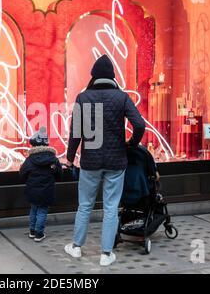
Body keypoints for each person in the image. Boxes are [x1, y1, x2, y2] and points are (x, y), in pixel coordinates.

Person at [64, 54, 145, 266]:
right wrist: (131, 144)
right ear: (112, 77)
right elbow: (140, 125)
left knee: (85, 206)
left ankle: (76, 247)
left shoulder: (83, 98)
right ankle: (106, 254)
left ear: (93, 77)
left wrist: (70, 158)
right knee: (110, 207)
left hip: (90, 162)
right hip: (116, 162)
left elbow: (75, 132)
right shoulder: (122, 97)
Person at [20, 126, 62, 242]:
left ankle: (32, 231)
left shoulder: (30, 159)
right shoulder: (53, 159)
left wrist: (28, 180)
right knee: (42, 211)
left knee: (33, 209)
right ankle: (39, 234)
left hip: (32, 190)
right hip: (47, 190)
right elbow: (59, 174)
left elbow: (22, 173)